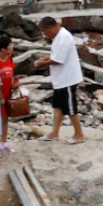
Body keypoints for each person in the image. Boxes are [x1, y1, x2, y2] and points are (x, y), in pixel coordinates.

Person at [34, 16, 86, 144]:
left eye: (45, 32)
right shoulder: (58, 37)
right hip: (60, 79)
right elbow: (55, 54)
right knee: (58, 106)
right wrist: (45, 58)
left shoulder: (64, 37)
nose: (45, 35)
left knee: (70, 107)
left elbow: (58, 59)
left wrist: (42, 64)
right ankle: (54, 133)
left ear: (51, 28)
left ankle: (79, 134)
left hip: (67, 79)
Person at [0, 34, 18, 156]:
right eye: (10, 45)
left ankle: (4, 143)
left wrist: (14, 84)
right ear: (3, 48)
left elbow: (11, 74)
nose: (12, 47)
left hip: (7, 94)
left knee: (5, 120)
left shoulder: (9, 59)